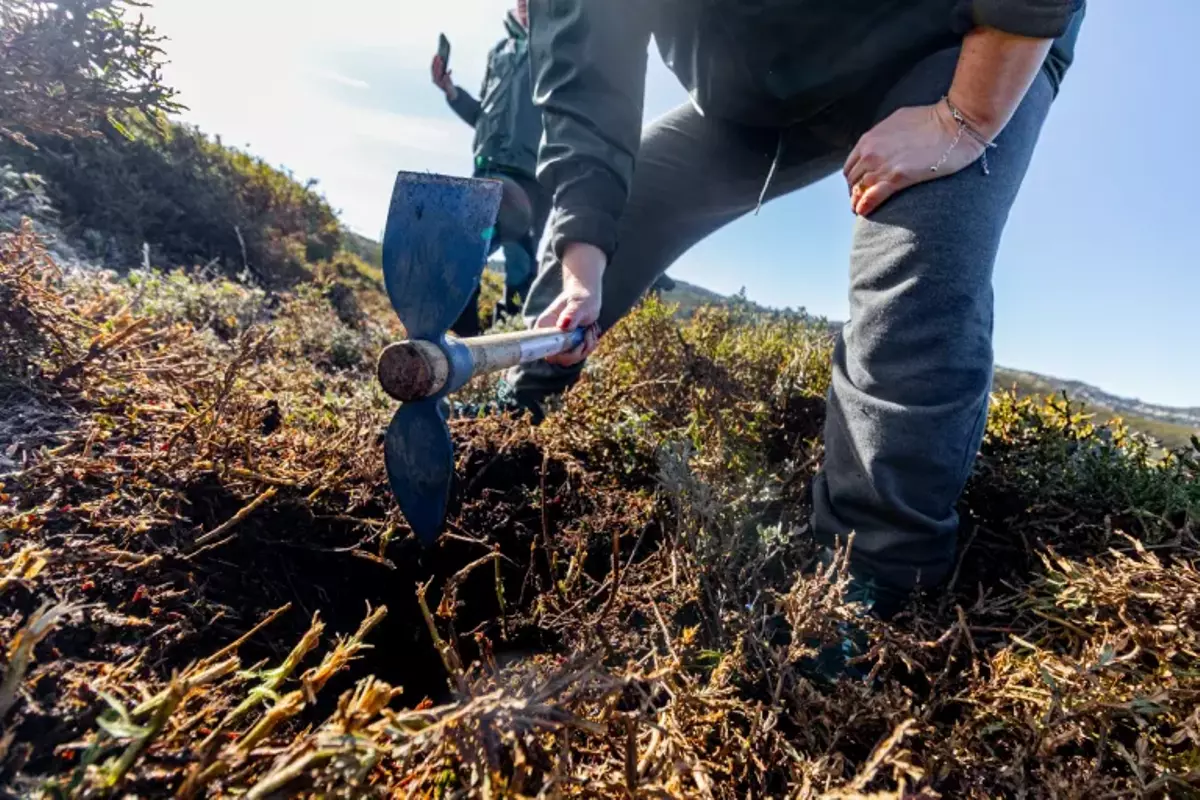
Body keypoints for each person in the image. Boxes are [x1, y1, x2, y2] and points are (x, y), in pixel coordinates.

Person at [507, 0, 1086, 621]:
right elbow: (586, 89)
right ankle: (514, 413)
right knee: (608, 219)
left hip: (960, 42)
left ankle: (869, 588)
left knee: (912, 282)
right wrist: (583, 269)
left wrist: (962, 121)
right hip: (767, 91)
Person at [431, 0, 547, 336]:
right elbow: (483, 117)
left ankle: (506, 351)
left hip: (531, 179)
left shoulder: (558, 46)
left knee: (521, 268)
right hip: (486, 170)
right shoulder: (499, 51)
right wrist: (451, 91)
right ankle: (465, 348)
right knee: (464, 253)